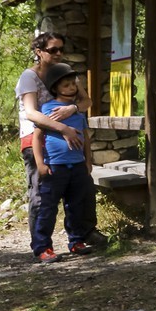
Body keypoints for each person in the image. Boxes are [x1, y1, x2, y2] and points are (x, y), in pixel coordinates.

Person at [15, 31, 89, 246]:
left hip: (71, 143)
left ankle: (81, 236)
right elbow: (31, 113)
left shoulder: (65, 73)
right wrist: (63, 128)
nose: (58, 53)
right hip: (37, 137)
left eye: (61, 49)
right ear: (39, 52)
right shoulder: (29, 76)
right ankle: (40, 243)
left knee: (79, 191)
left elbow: (86, 101)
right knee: (43, 194)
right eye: (52, 50)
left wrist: (72, 108)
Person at [30, 63, 98, 262]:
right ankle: (43, 247)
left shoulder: (77, 112)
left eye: (73, 84)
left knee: (76, 205)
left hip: (77, 165)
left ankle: (76, 241)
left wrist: (88, 160)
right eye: (66, 85)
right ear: (55, 88)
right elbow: (37, 137)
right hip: (55, 167)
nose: (71, 88)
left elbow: (86, 136)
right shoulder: (47, 109)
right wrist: (40, 164)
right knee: (48, 207)